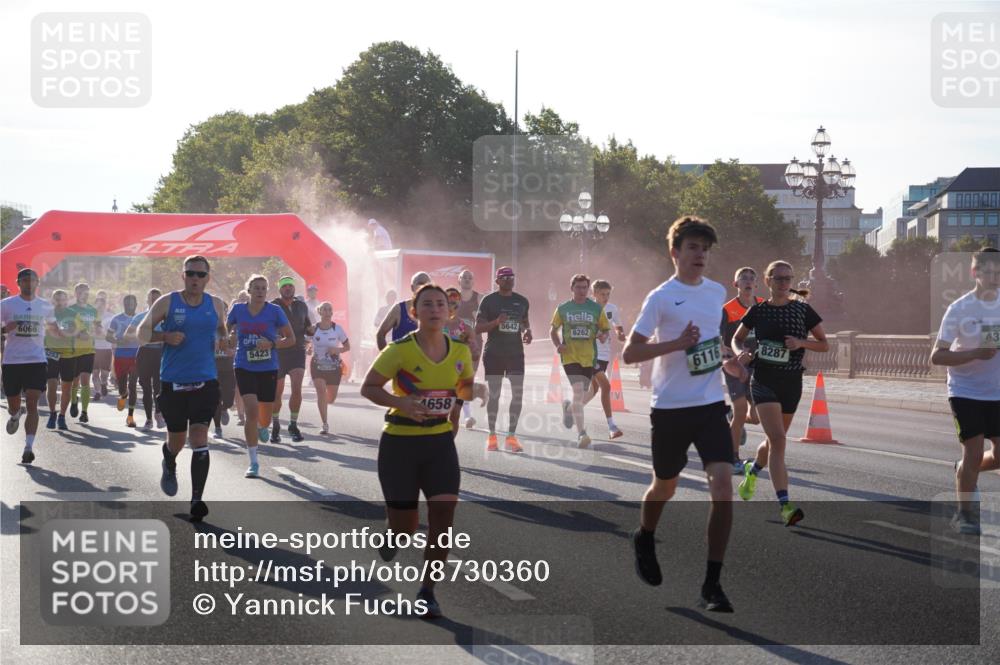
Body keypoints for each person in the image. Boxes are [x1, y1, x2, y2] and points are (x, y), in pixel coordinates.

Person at [623, 215, 747, 612]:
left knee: (724, 488)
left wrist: (727, 361)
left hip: (710, 403)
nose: (700, 255)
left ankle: (713, 585)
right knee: (665, 487)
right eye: (693, 247)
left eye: (705, 249)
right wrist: (675, 343)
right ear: (675, 252)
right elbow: (630, 353)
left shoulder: (716, 292)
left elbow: (712, 341)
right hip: (671, 408)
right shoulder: (660, 297)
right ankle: (644, 534)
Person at [360, 283, 475, 619]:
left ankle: (427, 591)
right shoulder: (400, 350)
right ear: (414, 312)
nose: (435, 309)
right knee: (407, 526)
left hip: (439, 444)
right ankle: (394, 534)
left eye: (441, 304)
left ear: (450, 312)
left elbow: (462, 390)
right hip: (400, 444)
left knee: (443, 519)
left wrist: (453, 418)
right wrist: (401, 403)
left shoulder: (460, 351)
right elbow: (368, 387)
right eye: (427, 304)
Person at [733, 260, 827, 527]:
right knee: (778, 440)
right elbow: (738, 338)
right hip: (763, 380)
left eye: (788, 279)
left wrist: (801, 342)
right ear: (768, 281)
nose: (784, 283)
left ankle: (753, 469)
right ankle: (785, 505)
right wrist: (742, 350)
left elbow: (824, 344)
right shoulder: (758, 311)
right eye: (778, 279)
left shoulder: (802, 310)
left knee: (776, 440)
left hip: (791, 382)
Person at [139, 256, 228, 522]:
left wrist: (223, 340)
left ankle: (197, 499)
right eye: (191, 273)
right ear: (183, 276)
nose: (195, 279)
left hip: (206, 382)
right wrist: (165, 336)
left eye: (201, 275)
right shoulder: (167, 301)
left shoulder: (216, 305)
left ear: (207, 278)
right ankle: (169, 459)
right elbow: (141, 334)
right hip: (173, 382)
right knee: (177, 440)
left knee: (200, 437)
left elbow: (222, 330)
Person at [931, 248, 1000, 535]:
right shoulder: (959, 308)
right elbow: (937, 356)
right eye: (990, 273)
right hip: (966, 391)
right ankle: (965, 514)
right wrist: (975, 354)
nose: (995, 278)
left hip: (997, 391)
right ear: (975, 273)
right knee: (973, 451)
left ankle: (963, 468)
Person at [227, 275, 295, 478]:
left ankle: (262, 426)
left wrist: (272, 343)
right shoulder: (238, 309)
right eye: (256, 288)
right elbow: (224, 330)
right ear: (248, 290)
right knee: (251, 410)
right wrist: (229, 336)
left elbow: (290, 339)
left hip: (268, 367)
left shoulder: (275, 311)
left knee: (264, 416)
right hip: (243, 365)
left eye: (263, 288)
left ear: (267, 291)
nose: (260, 291)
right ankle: (253, 462)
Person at [2, 269, 57, 464]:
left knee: (32, 402)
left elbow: (54, 329)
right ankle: (15, 415)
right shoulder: (6, 305)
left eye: (32, 280)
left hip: (36, 360)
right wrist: (5, 328)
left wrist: (67, 333)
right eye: (25, 280)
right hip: (12, 362)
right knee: (13, 405)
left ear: (37, 283)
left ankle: (28, 447)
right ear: (18, 283)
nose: (29, 283)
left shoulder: (45, 306)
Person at [551, 274, 611, 448]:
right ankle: (581, 434)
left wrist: (602, 336)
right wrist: (557, 345)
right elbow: (553, 330)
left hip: (588, 357)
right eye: (578, 287)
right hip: (570, 357)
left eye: (585, 287)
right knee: (578, 392)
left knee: (581, 395)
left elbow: (606, 330)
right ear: (572, 288)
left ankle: (569, 409)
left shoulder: (596, 308)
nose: (582, 290)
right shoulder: (563, 308)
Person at [476, 266, 531, 453]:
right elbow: (478, 328)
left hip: (515, 353)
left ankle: (511, 437)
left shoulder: (522, 301)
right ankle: (492, 436)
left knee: (517, 394)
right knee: (495, 395)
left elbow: (524, 322)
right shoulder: (489, 301)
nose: (509, 280)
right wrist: (495, 323)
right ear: (497, 281)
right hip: (494, 354)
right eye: (504, 277)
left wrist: (527, 332)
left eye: (511, 277)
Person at [722, 267, 764, 472]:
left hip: (757, 368)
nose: (748, 282)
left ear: (756, 284)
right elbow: (719, 341)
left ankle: (730, 420)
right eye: (743, 278)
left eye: (751, 279)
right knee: (740, 412)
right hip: (734, 367)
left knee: (755, 418)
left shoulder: (763, 306)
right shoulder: (727, 310)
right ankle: (733, 458)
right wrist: (732, 355)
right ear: (736, 284)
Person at [581, 280, 627, 440]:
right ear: (594, 294)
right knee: (606, 387)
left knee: (594, 389)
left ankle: (573, 408)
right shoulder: (586, 308)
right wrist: (594, 334)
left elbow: (617, 325)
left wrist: (621, 334)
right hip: (589, 353)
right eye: (602, 294)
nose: (606, 297)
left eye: (608, 294)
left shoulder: (612, 309)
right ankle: (612, 426)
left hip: (604, 354)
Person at [270, 277, 314, 444]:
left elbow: (308, 327)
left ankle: (293, 425)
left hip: (297, 352)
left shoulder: (301, 306)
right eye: (285, 286)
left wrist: (313, 331)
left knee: (297, 389)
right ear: (280, 289)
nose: (288, 289)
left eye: (290, 286)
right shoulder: (273, 306)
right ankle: (275, 425)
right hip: (280, 352)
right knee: (277, 392)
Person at [128, 288, 166, 430]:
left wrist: (157, 338)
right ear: (147, 300)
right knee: (146, 388)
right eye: (151, 299)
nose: (154, 301)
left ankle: (158, 414)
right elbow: (128, 334)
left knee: (159, 387)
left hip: (161, 353)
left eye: (157, 299)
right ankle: (149, 419)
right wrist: (143, 336)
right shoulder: (140, 317)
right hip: (144, 353)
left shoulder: (166, 317)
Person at [310, 301, 350, 435]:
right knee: (321, 391)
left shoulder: (337, 329)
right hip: (317, 366)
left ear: (332, 313)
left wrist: (337, 350)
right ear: (319, 312)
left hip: (334, 368)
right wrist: (308, 349)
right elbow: (305, 343)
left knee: (331, 398)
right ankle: (324, 423)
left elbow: (347, 347)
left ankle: (323, 404)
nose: (327, 312)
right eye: (324, 310)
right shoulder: (313, 329)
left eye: (329, 310)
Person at [67, 282, 99, 423]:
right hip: (74, 350)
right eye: (80, 292)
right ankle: (74, 401)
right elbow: (66, 329)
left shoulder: (93, 310)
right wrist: (78, 334)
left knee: (86, 380)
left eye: (86, 292)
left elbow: (98, 327)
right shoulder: (70, 310)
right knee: (75, 381)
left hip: (89, 350)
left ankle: (85, 412)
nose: (83, 295)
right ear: (76, 294)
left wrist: (98, 330)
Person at [107, 294, 140, 427]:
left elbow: (146, 334)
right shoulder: (116, 319)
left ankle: (130, 416)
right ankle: (123, 395)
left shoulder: (140, 319)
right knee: (122, 387)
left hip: (136, 355)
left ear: (136, 304)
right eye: (127, 303)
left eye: (132, 303)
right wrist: (117, 340)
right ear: (124, 304)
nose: (130, 305)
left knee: (133, 385)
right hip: (120, 356)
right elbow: (108, 336)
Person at [44, 290, 75, 430]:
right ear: (53, 300)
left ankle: (62, 416)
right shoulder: (47, 313)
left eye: (62, 299)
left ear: (66, 300)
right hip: (51, 353)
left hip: (68, 354)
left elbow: (74, 331)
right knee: (51, 384)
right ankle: (52, 413)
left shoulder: (73, 314)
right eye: (57, 299)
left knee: (66, 387)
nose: (59, 301)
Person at [456, 270, 483, 429]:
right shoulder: (453, 297)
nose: (467, 280)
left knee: (469, 378)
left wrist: (478, 316)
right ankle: (464, 414)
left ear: (473, 281)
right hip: (455, 343)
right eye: (464, 277)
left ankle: (466, 415)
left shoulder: (479, 299)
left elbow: (487, 319)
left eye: (470, 278)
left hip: (474, 343)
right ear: (459, 280)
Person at [376, 272, 431, 350]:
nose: (424, 287)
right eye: (420, 283)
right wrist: (388, 359)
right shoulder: (399, 309)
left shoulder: (435, 311)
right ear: (412, 287)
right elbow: (380, 334)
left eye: (427, 285)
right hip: (400, 361)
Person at [212, 300, 237, 440]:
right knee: (216, 398)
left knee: (228, 399)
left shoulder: (232, 329)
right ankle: (217, 428)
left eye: (224, 311)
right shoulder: (209, 328)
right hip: (213, 368)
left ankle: (224, 408)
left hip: (228, 368)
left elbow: (236, 347)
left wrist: (232, 350)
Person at [92, 294, 114, 400]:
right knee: (95, 373)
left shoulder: (110, 317)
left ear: (105, 305)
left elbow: (111, 334)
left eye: (102, 305)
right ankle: (97, 392)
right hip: (93, 348)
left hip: (106, 348)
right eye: (98, 305)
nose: (100, 307)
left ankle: (104, 384)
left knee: (104, 374)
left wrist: (102, 333)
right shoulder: (91, 316)